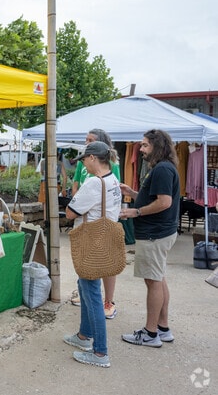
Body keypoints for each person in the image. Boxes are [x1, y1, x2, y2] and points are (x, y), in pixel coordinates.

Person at [119, 129, 179, 348]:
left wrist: (136, 211)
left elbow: (164, 202)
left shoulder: (162, 169)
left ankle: (150, 333)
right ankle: (162, 328)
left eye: (145, 145)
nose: (141, 149)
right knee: (159, 278)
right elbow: (155, 197)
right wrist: (134, 194)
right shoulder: (164, 167)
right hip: (161, 231)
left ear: (157, 146)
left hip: (155, 233)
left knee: (153, 281)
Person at [63, 141, 121, 368]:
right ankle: (84, 336)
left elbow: (70, 212)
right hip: (103, 240)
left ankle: (100, 352)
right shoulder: (113, 180)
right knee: (86, 287)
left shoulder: (93, 184)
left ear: (93, 159)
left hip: (90, 241)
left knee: (91, 293)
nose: (83, 164)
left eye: (84, 159)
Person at [70, 129, 122, 319]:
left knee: (101, 266)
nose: (86, 142)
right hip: (86, 209)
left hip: (96, 222)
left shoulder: (107, 170)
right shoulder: (87, 165)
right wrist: (78, 199)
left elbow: (106, 193)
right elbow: (76, 182)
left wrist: (79, 204)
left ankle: (107, 301)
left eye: (90, 140)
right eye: (86, 139)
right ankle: (87, 300)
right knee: (90, 271)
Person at [37, 152, 67, 219]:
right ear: (58, 156)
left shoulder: (43, 162)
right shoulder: (60, 164)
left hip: (44, 183)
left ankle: (46, 221)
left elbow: (41, 172)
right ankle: (53, 220)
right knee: (54, 203)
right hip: (56, 184)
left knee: (45, 204)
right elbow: (65, 177)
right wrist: (63, 189)